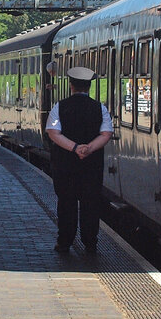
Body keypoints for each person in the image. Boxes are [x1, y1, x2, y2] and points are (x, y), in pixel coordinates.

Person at [46, 66, 113, 254]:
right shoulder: (100, 108)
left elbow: (53, 133)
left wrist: (75, 148)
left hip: (65, 165)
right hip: (91, 165)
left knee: (66, 203)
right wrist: (88, 148)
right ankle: (90, 243)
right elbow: (106, 133)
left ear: (71, 85)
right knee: (90, 204)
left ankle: (65, 241)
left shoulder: (59, 106)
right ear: (89, 87)